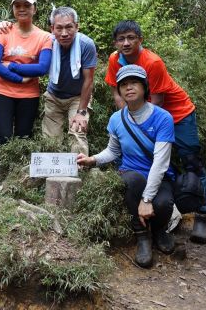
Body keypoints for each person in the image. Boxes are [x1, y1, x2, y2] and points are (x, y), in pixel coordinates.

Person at [104, 20, 206, 244]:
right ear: (115, 43)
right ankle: (160, 207)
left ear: (140, 40)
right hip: (143, 116)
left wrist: (150, 130)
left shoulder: (152, 62)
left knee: (191, 161)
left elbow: (158, 101)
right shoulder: (115, 59)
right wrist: (128, 124)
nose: (126, 43)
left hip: (177, 114)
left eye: (131, 38)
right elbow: (117, 93)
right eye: (121, 39)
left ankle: (202, 212)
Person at [77, 65, 179, 268]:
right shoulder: (117, 119)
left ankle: (159, 231)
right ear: (119, 90)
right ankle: (142, 236)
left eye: (134, 83)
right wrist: (92, 159)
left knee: (163, 203)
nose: (129, 88)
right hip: (131, 175)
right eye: (124, 84)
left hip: (158, 176)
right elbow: (113, 151)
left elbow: (160, 163)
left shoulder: (162, 118)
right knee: (132, 180)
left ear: (145, 87)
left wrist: (148, 199)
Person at [0, 6, 97, 155]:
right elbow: (32, 61)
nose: (64, 33)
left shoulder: (86, 45)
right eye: (59, 28)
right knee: (50, 138)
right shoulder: (46, 42)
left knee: (77, 132)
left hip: (78, 96)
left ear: (76, 26)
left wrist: (81, 112)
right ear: (52, 29)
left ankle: (79, 170)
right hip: (54, 96)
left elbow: (89, 80)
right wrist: (3, 25)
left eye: (69, 27)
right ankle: (52, 172)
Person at [0, 0, 53, 173]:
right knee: (4, 135)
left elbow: (42, 68)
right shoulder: (4, 31)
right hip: (2, 92)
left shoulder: (44, 37)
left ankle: (15, 175)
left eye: (26, 5)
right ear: (13, 8)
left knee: (24, 136)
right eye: (17, 5)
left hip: (29, 95)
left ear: (34, 9)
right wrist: (20, 78)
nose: (22, 9)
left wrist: (11, 66)